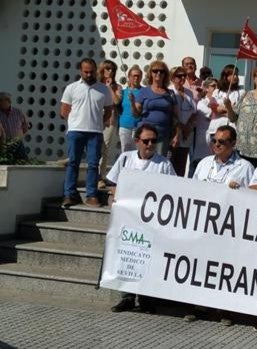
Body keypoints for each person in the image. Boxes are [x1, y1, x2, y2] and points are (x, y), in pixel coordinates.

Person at [107, 124, 175, 314]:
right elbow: (111, 184)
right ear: (137, 141)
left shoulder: (164, 164)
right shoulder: (125, 159)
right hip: (128, 218)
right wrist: (120, 198)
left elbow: (173, 191)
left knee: (148, 258)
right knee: (128, 257)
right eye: (146, 141)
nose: (150, 144)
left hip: (151, 221)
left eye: (154, 140)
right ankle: (127, 298)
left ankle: (146, 299)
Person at [60, 58, 113, 208]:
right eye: (86, 71)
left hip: (95, 132)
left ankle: (91, 195)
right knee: (72, 163)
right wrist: (75, 122)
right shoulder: (71, 88)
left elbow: (109, 111)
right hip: (76, 131)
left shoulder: (103, 89)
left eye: (91, 71)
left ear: (96, 70)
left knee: (93, 164)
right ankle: (69, 195)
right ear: (80, 71)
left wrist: (98, 123)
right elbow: (64, 110)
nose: (89, 74)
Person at [133, 60, 181, 157]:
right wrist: (131, 103)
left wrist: (177, 135)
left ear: (165, 74)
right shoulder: (144, 91)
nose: (158, 73)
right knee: (143, 159)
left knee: (159, 161)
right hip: (145, 134)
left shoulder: (170, 93)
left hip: (163, 134)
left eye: (161, 71)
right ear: (150, 73)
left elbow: (176, 116)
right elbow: (136, 114)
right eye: (155, 71)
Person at [97, 60, 123, 189]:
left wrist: (109, 88)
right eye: (107, 69)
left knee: (105, 149)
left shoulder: (117, 87)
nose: (110, 72)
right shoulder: (96, 85)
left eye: (112, 69)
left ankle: (100, 177)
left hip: (110, 121)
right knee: (94, 148)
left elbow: (117, 101)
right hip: (95, 120)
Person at [169, 66, 197, 176]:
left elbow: (194, 111)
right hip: (173, 133)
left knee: (181, 165)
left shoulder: (189, 93)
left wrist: (188, 126)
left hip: (186, 133)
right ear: (172, 78)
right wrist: (180, 130)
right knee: (170, 163)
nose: (182, 78)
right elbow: (172, 114)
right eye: (178, 76)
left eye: (184, 76)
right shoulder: (169, 91)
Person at [191, 78, 219, 177]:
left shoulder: (218, 102)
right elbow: (213, 114)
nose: (216, 88)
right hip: (202, 142)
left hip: (213, 141)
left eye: (217, 86)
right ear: (206, 88)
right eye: (213, 86)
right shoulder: (201, 103)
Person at [117, 65, 143, 152]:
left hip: (140, 127)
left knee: (139, 152)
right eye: (134, 76)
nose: (136, 78)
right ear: (129, 77)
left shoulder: (144, 92)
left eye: (138, 76)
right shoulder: (123, 92)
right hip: (125, 126)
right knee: (125, 152)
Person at [0, 92, 29, 158]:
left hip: (18, 143)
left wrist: (19, 137)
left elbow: (25, 127)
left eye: (1, 100)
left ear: (8, 101)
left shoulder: (18, 112)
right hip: (4, 144)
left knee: (23, 162)